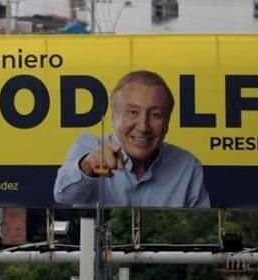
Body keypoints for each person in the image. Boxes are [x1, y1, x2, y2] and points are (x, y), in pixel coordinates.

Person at [53, 70, 209, 208]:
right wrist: (89, 166)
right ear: (114, 118)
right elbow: (64, 196)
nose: (143, 127)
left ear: (167, 123)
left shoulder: (187, 166)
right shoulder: (88, 146)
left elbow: (205, 226)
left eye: (155, 115)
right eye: (133, 112)